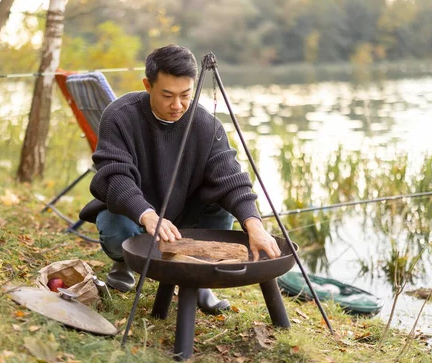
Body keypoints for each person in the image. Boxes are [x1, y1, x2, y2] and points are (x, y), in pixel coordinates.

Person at [79, 44, 281, 314]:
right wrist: (147, 214)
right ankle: (123, 261)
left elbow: (231, 178)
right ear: (147, 86)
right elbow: (115, 175)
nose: (177, 105)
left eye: (185, 95)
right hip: (134, 211)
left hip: (183, 213)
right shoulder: (119, 115)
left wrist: (253, 224)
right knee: (117, 230)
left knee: (220, 206)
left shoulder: (206, 125)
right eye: (167, 95)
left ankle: (199, 277)